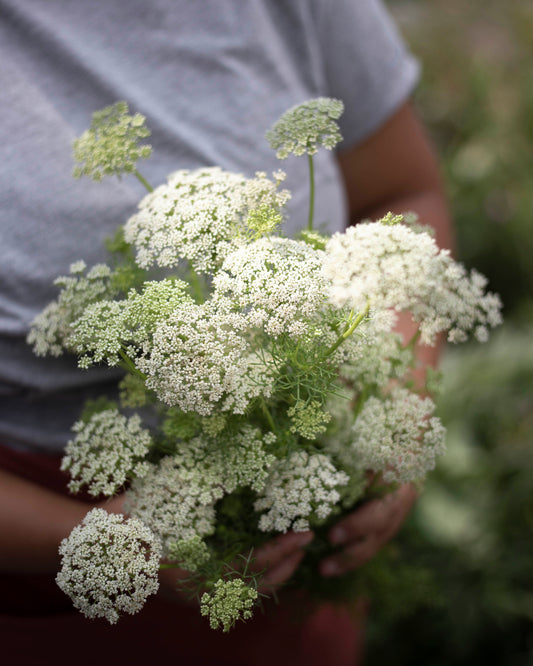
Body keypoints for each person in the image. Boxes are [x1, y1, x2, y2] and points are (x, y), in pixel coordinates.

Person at [0, 1, 452, 664]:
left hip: (300, 570)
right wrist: (110, 544)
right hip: (48, 589)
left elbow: (405, 196)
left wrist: (396, 411)